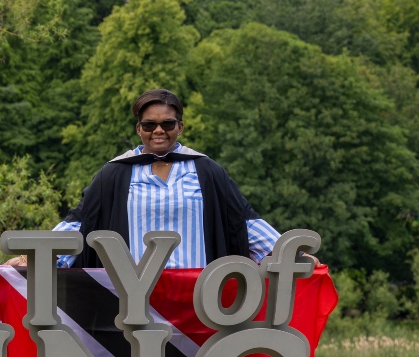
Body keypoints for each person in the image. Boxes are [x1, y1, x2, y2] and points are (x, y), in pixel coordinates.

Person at [40, 89, 285, 268]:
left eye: (167, 124)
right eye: (149, 125)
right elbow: (81, 222)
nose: (158, 131)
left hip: (199, 296)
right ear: (139, 129)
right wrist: (40, 257)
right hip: (133, 298)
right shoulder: (115, 174)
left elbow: (242, 220)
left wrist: (286, 253)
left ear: (180, 127)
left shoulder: (205, 171)